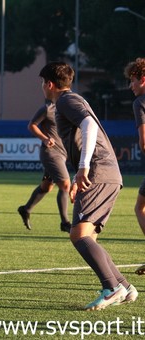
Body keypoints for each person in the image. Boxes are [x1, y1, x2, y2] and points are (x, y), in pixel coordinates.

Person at [39, 61, 137, 311]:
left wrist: (83, 168)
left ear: (49, 84)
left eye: (42, 83)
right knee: (88, 236)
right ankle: (123, 287)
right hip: (107, 172)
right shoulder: (74, 99)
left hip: (97, 171)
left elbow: (89, 126)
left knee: (79, 235)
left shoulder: (64, 101)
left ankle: (112, 287)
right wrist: (77, 175)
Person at [17, 101, 71, 232]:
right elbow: (32, 125)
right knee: (65, 185)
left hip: (62, 153)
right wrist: (45, 138)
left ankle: (26, 209)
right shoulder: (48, 109)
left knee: (46, 186)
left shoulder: (69, 108)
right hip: (51, 153)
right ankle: (65, 223)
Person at [124, 57, 145, 276]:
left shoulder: (140, 102)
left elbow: (144, 140)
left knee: (140, 207)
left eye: (133, 81)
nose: (131, 86)